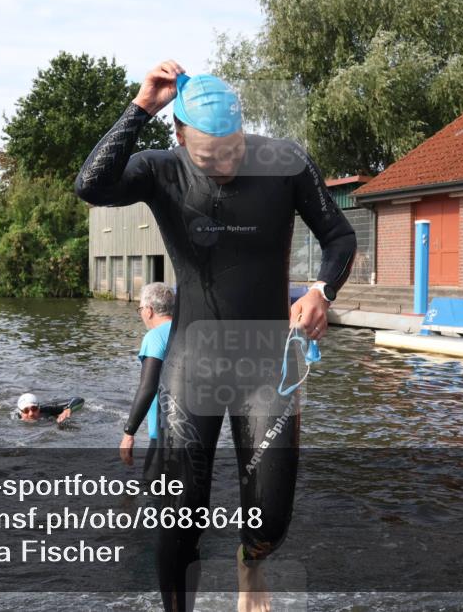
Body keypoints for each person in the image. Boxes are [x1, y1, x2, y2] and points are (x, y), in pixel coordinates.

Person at [76, 61, 356, 612]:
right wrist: (140, 107)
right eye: (209, 157)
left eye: (231, 150)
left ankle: (250, 563)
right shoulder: (161, 169)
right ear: (180, 137)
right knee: (178, 515)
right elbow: (91, 185)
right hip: (192, 361)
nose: (224, 165)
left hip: (267, 363)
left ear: (242, 129)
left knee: (271, 519)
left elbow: (339, 237)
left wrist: (322, 291)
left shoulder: (286, 162)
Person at [119, 282, 174, 483]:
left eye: (140, 309)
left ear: (149, 310)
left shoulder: (155, 337)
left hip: (163, 434)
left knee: (154, 490)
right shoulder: (189, 331)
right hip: (193, 432)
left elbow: (148, 387)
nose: (141, 314)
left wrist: (129, 433)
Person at [16, 393, 84, 424]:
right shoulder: (15, 420)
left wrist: (68, 409)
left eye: (34, 408)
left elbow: (79, 399)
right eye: (26, 410)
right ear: (20, 412)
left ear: (39, 408)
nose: (31, 414)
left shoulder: (48, 409)